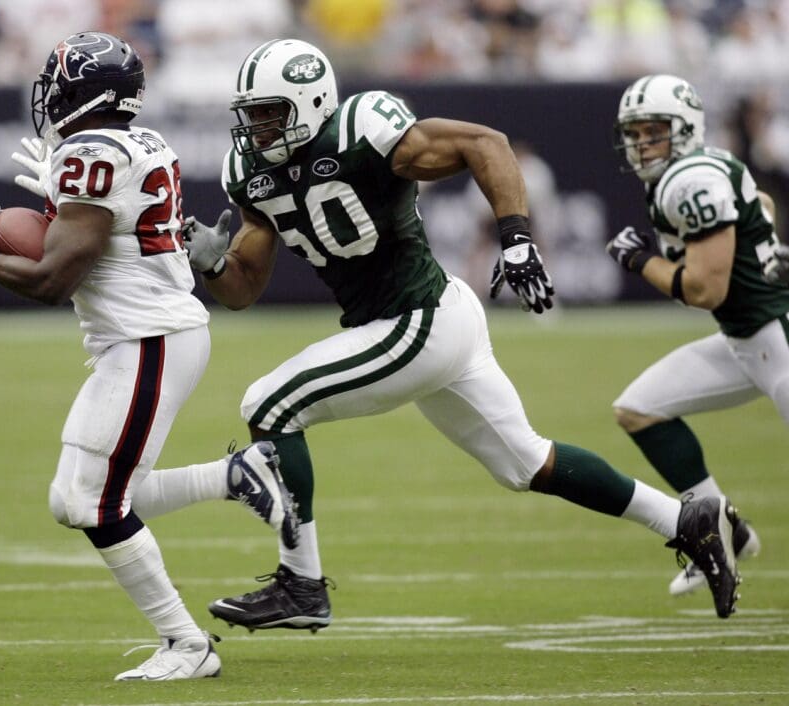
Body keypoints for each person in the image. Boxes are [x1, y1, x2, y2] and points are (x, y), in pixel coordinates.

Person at [174, 38, 744, 627]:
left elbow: (484, 143)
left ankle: (301, 585)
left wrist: (516, 239)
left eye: (270, 112)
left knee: (269, 404)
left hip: (417, 318)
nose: (257, 128)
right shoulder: (251, 173)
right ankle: (688, 520)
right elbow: (244, 289)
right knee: (528, 463)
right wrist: (214, 265)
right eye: (251, 115)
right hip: (425, 321)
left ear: (313, 102)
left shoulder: (362, 128)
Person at [0, 31, 299, 682]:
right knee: (73, 498)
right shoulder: (140, 142)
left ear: (85, 93)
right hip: (149, 336)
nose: (51, 97)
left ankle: (186, 645)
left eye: (61, 85)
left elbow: (53, 280)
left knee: (94, 503)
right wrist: (60, 198)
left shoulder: (90, 154)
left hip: (149, 340)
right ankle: (233, 477)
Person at [606, 73, 789, 596]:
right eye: (634, 133)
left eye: (653, 131)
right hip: (748, 339)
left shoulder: (690, 181)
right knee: (639, 408)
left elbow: (706, 289)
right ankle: (723, 528)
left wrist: (638, 259)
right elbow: (763, 206)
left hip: (777, 337)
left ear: (684, 129)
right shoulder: (699, 169)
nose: (642, 144)